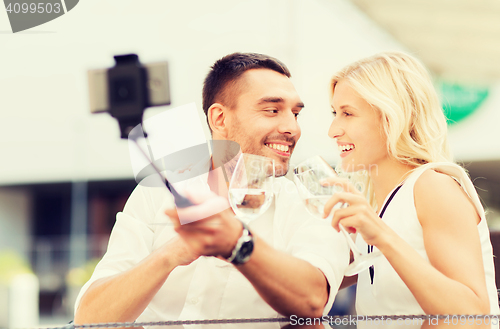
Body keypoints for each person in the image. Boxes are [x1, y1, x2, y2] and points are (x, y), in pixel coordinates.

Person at [74, 52, 349, 324]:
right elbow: (90, 319)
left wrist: (237, 244)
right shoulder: (155, 192)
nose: (292, 127)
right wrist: (172, 253)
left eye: (296, 113)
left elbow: (313, 300)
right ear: (219, 119)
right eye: (272, 110)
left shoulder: (308, 202)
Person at [323, 51, 498, 316]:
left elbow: (470, 315)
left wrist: (381, 236)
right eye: (335, 112)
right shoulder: (380, 203)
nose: (333, 130)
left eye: (348, 113)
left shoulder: (432, 188)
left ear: (392, 117)